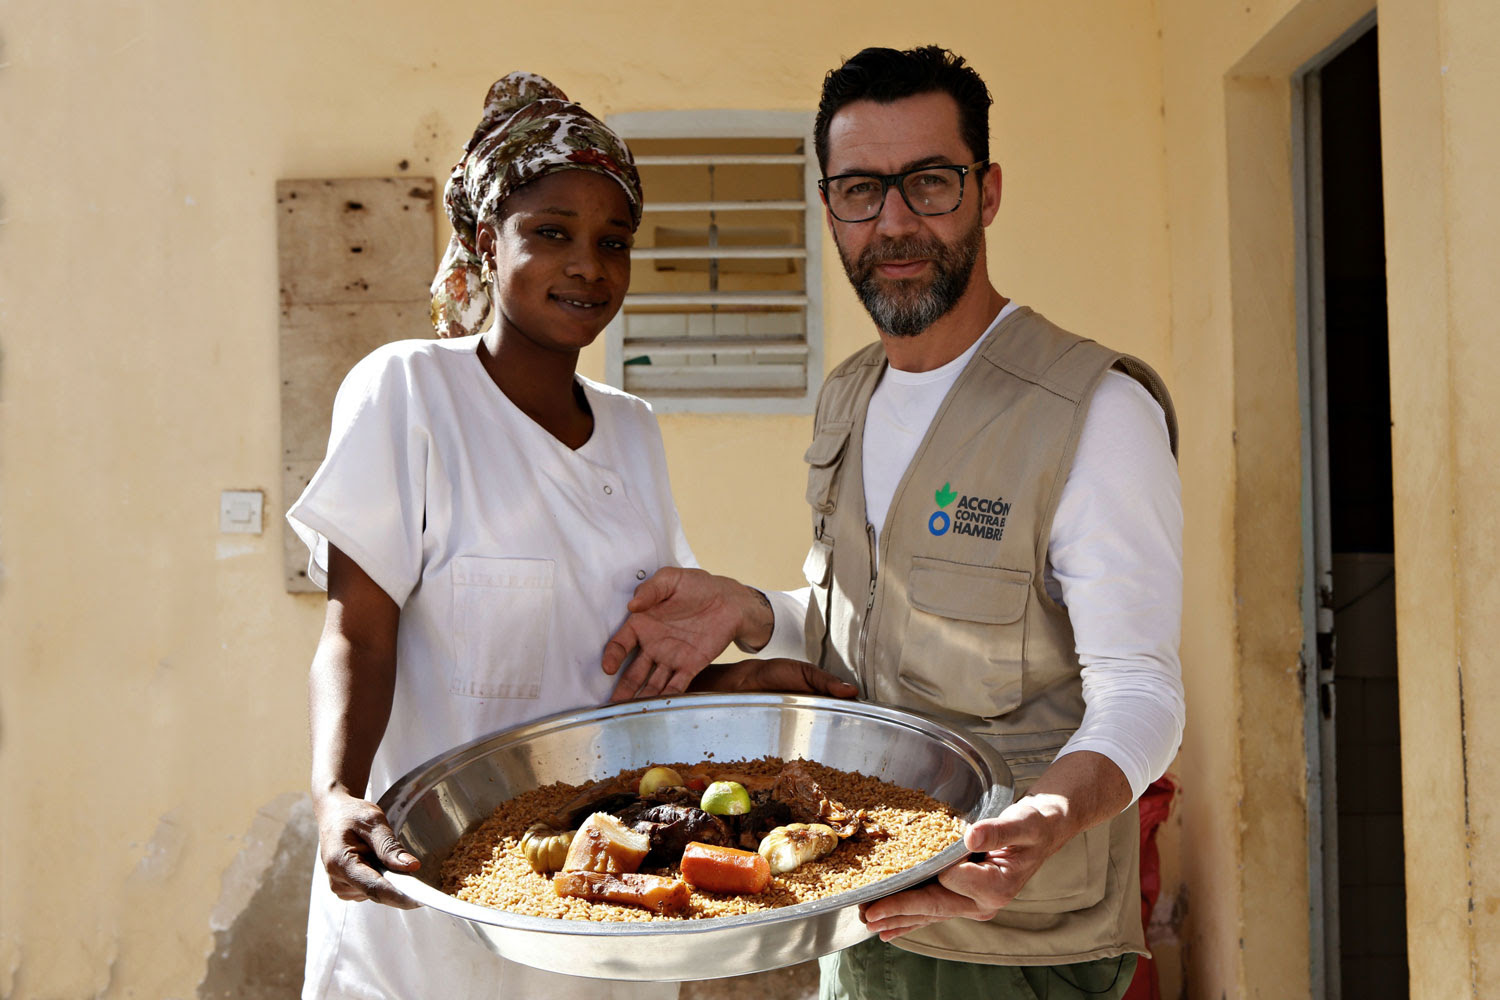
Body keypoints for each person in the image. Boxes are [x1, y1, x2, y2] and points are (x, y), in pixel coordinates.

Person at [602, 46, 1185, 1000]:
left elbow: (1144, 695)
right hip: (854, 904)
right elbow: (862, 625)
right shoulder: (850, 395)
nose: (896, 222)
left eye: (930, 183)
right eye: (862, 190)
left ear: (987, 192)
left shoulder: (1094, 410)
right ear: (829, 205)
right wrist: (753, 611)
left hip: (1012, 945)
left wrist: (1047, 816)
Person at [288, 72, 851, 1000]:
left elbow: (611, 672)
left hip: (600, 916)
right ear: (484, 242)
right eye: (550, 233)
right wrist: (336, 793)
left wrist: (740, 681)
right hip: (433, 910)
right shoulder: (411, 395)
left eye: (613, 242)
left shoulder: (632, 430)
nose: (588, 264)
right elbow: (358, 631)